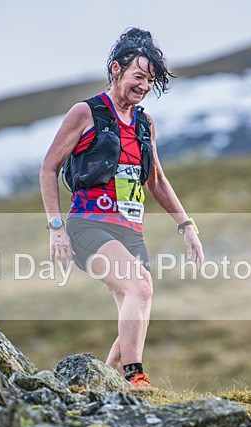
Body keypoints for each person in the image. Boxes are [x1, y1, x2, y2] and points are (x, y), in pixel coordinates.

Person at [39, 28, 204, 388]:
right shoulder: (86, 113)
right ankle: (136, 378)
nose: (144, 86)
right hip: (88, 225)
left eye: (150, 80)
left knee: (139, 304)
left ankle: (95, 388)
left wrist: (186, 226)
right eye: (138, 77)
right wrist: (56, 228)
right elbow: (48, 168)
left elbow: (156, 180)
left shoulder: (145, 124)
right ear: (116, 70)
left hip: (131, 230)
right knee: (140, 288)